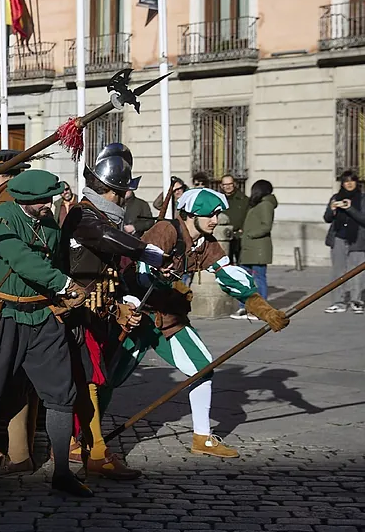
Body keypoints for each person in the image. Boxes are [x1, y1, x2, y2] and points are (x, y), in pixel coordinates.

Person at [118, 188, 289, 458]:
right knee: (106, 378)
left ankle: (202, 437)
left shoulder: (206, 244)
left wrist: (261, 307)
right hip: (135, 316)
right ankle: (85, 440)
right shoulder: (165, 230)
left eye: (217, 214)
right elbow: (141, 271)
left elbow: (226, 273)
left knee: (202, 368)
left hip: (169, 319)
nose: (215, 220)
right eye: (209, 214)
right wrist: (158, 276)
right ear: (188, 215)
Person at [0, 169, 93, 498]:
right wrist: (64, 284)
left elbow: (58, 259)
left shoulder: (48, 220)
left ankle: (62, 472)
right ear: (26, 200)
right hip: (3, 316)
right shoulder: (0, 217)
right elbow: (21, 260)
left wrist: (67, 292)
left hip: (43, 314)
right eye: (42, 202)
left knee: (62, 394)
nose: (48, 207)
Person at [59, 148, 165, 481]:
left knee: (90, 377)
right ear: (113, 191)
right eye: (122, 193)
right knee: (90, 378)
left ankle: (77, 445)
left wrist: (121, 306)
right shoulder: (84, 214)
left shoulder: (101, 215)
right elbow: (106, 238)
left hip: (95, 310)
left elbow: (108, 270)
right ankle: (94, 453)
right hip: (75, 310)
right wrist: (145, 249)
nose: (124, 198)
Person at [232, 180, 276, 320]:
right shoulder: (258, 205)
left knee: (259, 278)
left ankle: (260, 310)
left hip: (258, 249)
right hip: (249, 248)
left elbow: (266, 226)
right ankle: (243, 307)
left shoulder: (266, 205)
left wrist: (249, 234)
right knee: (243, 278)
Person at [324, 171, 365, 314]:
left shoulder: (362, 198)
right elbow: (327, 218)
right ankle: (338, 302)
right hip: (339, 238)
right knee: (338, 271)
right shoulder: (336, 197)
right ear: (342, 183)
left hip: (358, 239)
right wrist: (332, 209)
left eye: (352, 181)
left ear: (356, 183)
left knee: (358, 272)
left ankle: (357, 301)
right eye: (346, 181)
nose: (349, 183)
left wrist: (350, 209)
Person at [219, 175, 250, 264]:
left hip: (239, 237)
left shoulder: (244, 200)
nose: (228, 187)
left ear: (234, 184)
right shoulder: (218, 200)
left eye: (230, 184)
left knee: (242, 265)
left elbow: (248, 216)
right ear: (221, 186)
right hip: (223, 237)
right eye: (225, 184)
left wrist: (242, 230)